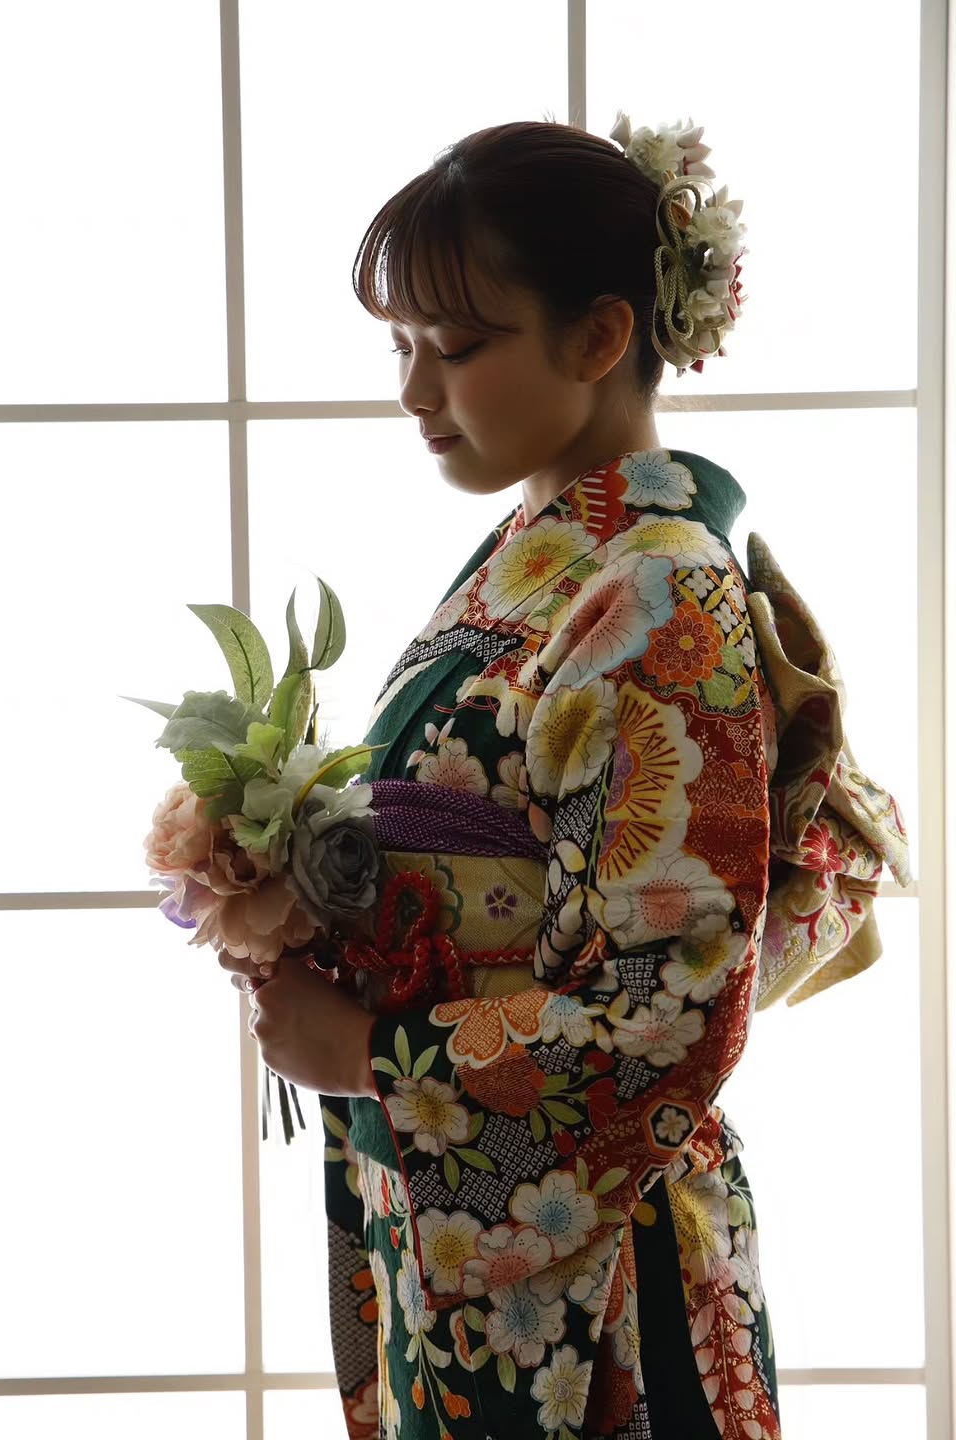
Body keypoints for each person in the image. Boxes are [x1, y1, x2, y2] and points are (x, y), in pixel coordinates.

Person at [222, 118, 909, 1439]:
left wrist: (365, 1051)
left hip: (595, 1260)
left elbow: (666, 1013)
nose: (416, 391)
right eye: (401, 347)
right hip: (472, 1224)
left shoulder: (658, 593)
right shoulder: (547, 551)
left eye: (455, 347)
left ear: (600, 337)